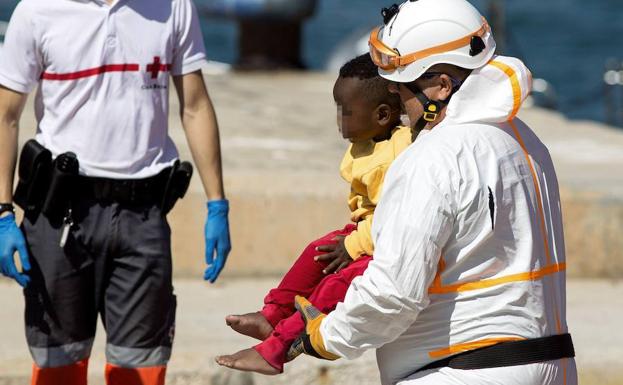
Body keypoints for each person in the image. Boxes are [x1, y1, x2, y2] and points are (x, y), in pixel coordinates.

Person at [288, 0, 578, 384]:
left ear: (441, 86)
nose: (391, 90)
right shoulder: (525, 141)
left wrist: (321, 336)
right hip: (552, 367)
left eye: (400, 79)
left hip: (460, 372)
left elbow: (393, 295)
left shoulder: (431, 156)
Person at [0, 0, 231, 384]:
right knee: (58, 366)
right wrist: (2, 213)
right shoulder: (37, 10)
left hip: (144, 216)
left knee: (141, 366)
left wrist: (217, 204)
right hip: (60, 217)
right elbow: (5, 115)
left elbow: (195, 105)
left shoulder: (173, 6)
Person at [215, 54, 411, 375]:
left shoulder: (401, 152)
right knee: (315, 253)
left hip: (381, 242)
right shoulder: (367, 141)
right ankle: (272, 315)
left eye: (345, 111)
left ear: (382, 114)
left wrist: (351, 247)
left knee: (336, 285)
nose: (339, 119)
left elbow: (399, 217)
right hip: (364, 231)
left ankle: (277, 347)